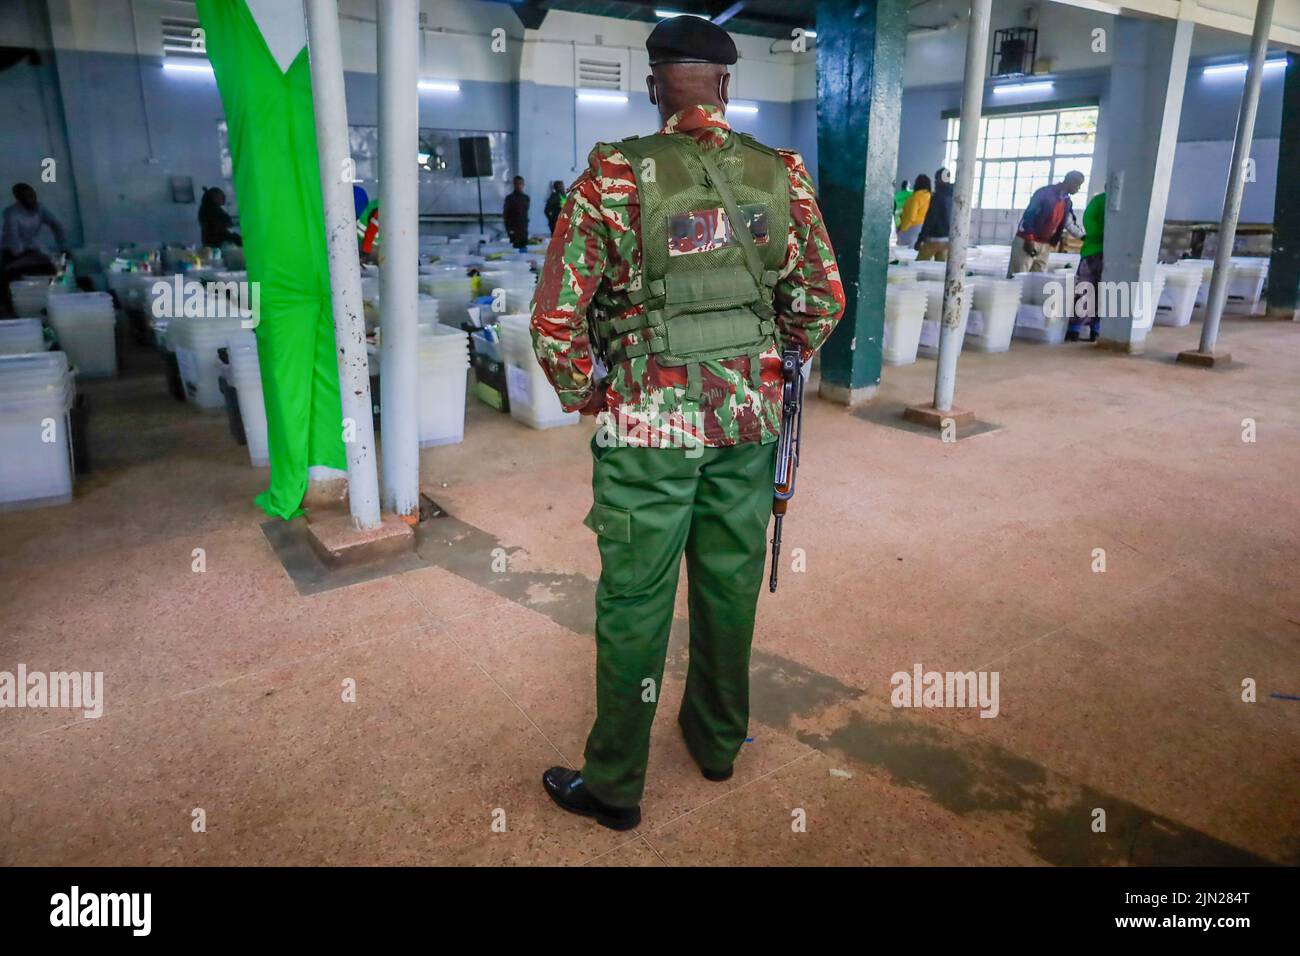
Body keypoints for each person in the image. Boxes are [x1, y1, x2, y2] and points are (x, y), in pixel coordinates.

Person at [531, 14, 845, 830]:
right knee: (729, 579)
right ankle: (715, 745)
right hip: (749, 413)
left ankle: (614, 786)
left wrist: (589, 394)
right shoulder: (782, 175)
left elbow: (556, 323)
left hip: (651, 418)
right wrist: (766, 364)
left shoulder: (614, 176)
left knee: (637, 595)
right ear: (727, 86)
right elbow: (822, 302)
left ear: (653, 86)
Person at [2, 183, 67, 316]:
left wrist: (62, 246)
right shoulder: (11, 213)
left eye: (32, 195)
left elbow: (56, 225)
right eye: (26, 196)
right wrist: (25, 257)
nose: (31, 198)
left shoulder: (40, 209)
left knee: (54, 270)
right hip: (12, 251)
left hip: (31, 250)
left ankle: (48, 302)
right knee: (7, 276)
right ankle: (10, 308)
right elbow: (14, 239)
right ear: (18, 198)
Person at [1008, 170, 1084, 275]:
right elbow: (1028, 215)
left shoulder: (1067, 202)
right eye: (1078, 185)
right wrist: (1029, 239)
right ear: (1071, 181)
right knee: (1018, 276)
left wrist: (1083, 236)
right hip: (1027, 241)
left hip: (1045, 245)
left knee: (1037, 280)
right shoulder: (1045, 193)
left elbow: (1069, 223)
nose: (1078, 189)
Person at [1068, 190, 1106, 342]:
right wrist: (1106, 235)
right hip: (1097, 253)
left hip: (1095, 252)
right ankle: (1082, 329)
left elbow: (1089, 221)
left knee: (1087, 290)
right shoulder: (1100, 201)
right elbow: (1089, 222)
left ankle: (1084, 329)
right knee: (1094, 291)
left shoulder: (1098, 201)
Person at [916, 167, 953, 261]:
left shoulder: (937, 196)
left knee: (919, 264)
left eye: (936, 179)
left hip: (934, 239)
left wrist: (921, 238)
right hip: (947, 239)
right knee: (940, 269)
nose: (935, 182)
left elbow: (931, 218)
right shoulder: (954, 196)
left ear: (941, 179)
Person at [896, 173, 930, 248]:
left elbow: (911, 217)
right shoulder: (929, 196)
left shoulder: (915, 197)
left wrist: (902, 229)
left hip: (912, 227)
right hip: (924, 228)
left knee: (905, 251)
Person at [503, 175, 530, 250]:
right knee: (515, 249)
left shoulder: (526, 198)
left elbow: (525, 212)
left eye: (520, 183)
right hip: (514, 229)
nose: (519, 186)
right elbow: (506, 215)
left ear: (523, 185)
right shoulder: (509, 198)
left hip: (523, 229)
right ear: (514, 185)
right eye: (517, 184)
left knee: (524, 248)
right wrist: (509, 230)